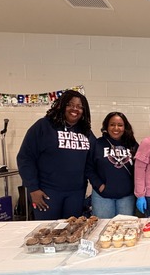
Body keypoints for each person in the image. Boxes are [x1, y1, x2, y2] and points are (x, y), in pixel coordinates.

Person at [17, 90, 94, 220]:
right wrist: (33, 188)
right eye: (70, 105)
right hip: (47, 192)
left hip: (76, 193)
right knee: (47, 232)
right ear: (61, 105)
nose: (75, 109)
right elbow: (25, 158)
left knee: (71, 232)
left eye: (80, 107)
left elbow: (95, 159)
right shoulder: (44, 126)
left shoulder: (85, 132)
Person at [86, 112, 139, 218]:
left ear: (125, 127)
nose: (116, 128)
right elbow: (89, 167)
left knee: (125, 230)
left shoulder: (132, 145)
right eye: (112, 124)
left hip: (126, 197)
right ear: (106, 126)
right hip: (102, 196)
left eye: (120, 125)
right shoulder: (98, 144)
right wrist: (99, 186)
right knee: (103, 229)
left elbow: (139, 169)